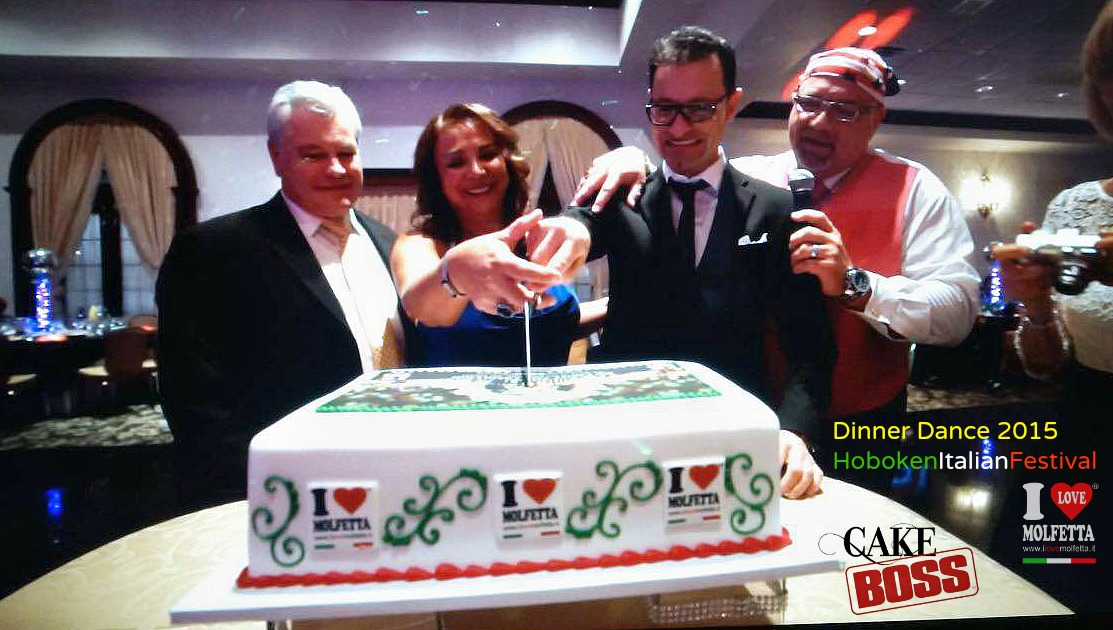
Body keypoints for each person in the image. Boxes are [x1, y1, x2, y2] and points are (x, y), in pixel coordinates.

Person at [158, 82, 584, 509]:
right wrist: (244, 501)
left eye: (346, 153)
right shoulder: (216, 249)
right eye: (312, 155)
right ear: (276, 156)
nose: (336, 169)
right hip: (283, 491)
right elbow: (195, 402)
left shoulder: (382, 240)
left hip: (403, 480)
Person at [575, 46, 980, 493]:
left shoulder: (915, 190)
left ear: (875, 118)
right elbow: (682, 178)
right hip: (754, 413)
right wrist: (630, 159)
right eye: (808, 103)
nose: (818, 122)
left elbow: (958, 313)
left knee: (853, 529)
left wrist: (855, 285)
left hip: (862, 422)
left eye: (843, 110)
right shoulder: (754, 177)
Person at [565, 26, 836, 499]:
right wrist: (565, 228)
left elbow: (809, 343)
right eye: (664, 109)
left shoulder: (776, 210)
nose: (679, 128)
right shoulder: (622, 196)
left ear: (731, 106)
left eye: (699, 109)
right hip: (626, 439)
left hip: (735, 436)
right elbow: (579, 224)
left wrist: (794, 430)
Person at [392, 103, 602, 367]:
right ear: (437, 179)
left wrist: (628, 304)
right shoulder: (420, 244)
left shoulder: (534, 234)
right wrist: (455, 271)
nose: (477, 171)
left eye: (487, 155)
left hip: (550, 393)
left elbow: (547, 321)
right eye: (456, 163)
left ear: (507, 161)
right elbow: (421, 307)